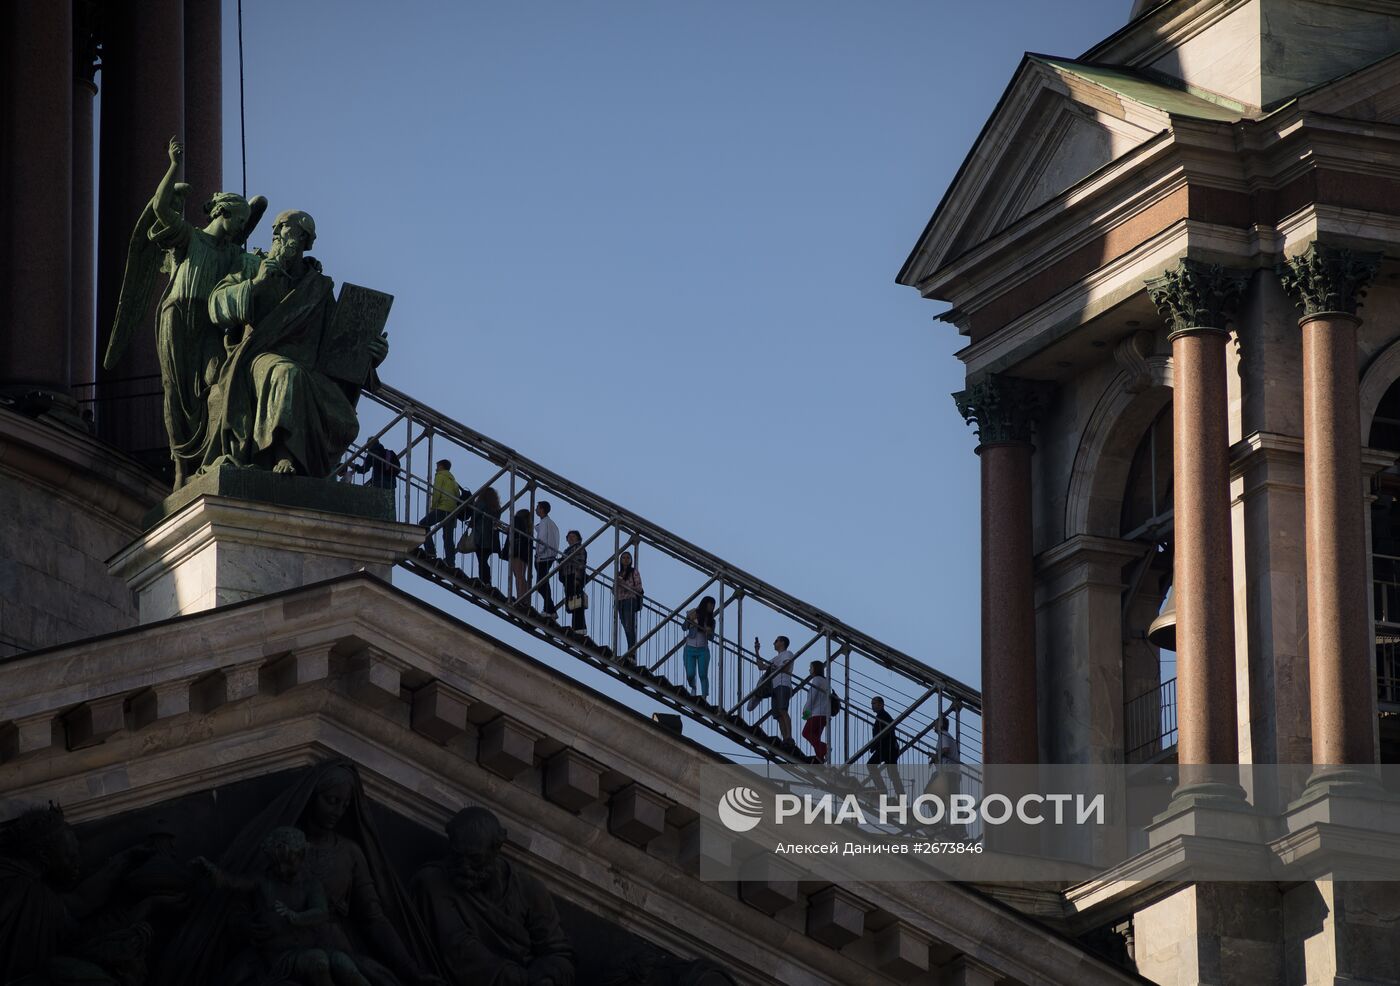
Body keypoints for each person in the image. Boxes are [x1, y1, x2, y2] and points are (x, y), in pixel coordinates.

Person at [105, 135, 264, 488]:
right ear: (223, 212)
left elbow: (264, 271)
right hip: (177, 319)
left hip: (209, 327)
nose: (242, 229)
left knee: (216, 381)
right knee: (176, 394)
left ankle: (214, 455)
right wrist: (172, 165)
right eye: (239, 221)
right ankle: (180, 469)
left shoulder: (234, 255)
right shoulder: (189, 237)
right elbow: (160, 209)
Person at [202, 209, 387, 479]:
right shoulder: (253, 265)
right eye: (275, 229)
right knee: (287, 374)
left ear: (305, 239)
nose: (276, 233)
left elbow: (338, 345)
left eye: (284, 227)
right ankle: (284, 455)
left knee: (328, 400)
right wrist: (256, 284)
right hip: (257, 360)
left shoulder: (319, 288)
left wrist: (370, 358)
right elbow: (216, 306)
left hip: (310, 370)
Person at [412, 807, 574, 986]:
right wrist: (520, 980)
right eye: (458, 856)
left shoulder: (530, 890)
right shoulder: (433, 881)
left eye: (475, 859)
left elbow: (558, 952)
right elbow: (457, 947)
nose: (465, 867)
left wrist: (548, 977)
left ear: (496, 849)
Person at [195, 827, 373, 986]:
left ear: (302, 856)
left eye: (288, 863)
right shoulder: (263, 880)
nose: (282, 869)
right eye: (276, 864)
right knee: (318, 961)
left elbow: (321, 912)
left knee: (343, 962)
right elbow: (234, 882)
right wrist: (214, 872)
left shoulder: (311, 884)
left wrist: (295, 917)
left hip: (307, 946)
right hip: (279, 957)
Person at [754, 636, 797, 744]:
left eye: (776, 641)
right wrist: (757, 651)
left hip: (783, 684)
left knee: (783, 710)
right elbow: (761, 666)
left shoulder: (788, 653)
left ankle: (789, 737)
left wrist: (775, 668)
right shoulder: (775, 658)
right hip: (775, 686)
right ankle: (785, 738)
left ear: (782, 642)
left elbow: (786, 667)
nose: (774, 643)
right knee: (778, 715)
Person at [421, 460, 462, 569]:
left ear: (441, 466)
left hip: (442, 508)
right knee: (448, 537)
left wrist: (433, 507)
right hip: (452, 511)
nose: (436, 468)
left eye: (437, 466)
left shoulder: (440, 476)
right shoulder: (453, 480)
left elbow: (437, 492)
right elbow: (458, 496)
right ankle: (451, 562)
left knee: (423, 524)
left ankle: (430, 551)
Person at [681, 596, 717, 700]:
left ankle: (704, 696)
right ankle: (693, 686)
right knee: (690, 674)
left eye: (713, 605)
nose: (711, 607)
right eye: (710, 604)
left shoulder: (711, 621)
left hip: (703, 650)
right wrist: (688, 619)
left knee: (703, 674)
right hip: (689, 648)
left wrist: (709, 631)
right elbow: (684, 627)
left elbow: (711, 638)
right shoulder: (694, 613)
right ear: (705, 604)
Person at [867, 696, 904, 797]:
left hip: (888, 748)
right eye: (872, 704)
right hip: (887, 748)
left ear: (881, 704)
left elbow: (883, 734)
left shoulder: (883, 716)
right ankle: (898, 794)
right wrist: (874, 746)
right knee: (892, 773)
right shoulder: (882, 716)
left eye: (874, 703)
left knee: (889, 772)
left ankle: (883, 790)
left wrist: (874, 746)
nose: (872, 706)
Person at [469, 487, 503, 589]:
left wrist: (471, 523)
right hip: (491, 539)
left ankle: (485, 581)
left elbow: (475, 515)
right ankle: (487, 581)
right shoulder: (496, 508)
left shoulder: (481, 504)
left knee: (482, 561)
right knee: (484, 560)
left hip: (481, 537)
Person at [613, 551, 644, 657]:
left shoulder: (634, 572)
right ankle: (631, 649)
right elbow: (614, 590)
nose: (625, 559)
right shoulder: (618, 573)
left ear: (630, 560)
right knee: (625, 626)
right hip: (620, 601)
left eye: (628, 558)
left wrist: (625, 585)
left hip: (630, 600)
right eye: (623, 558)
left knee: (629, 625)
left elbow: (639, 588)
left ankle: (632, 650)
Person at [558, 530, 589, 634]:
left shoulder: (578, 548)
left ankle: (579, 628)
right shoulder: (567, 550)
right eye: (569, 537)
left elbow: (580, 564)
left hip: (573, 576)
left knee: (577, 602)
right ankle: (576, 627)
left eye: (573, 536)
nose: (570, 538)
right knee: (573, 602)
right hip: (568, 577)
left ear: (578, 538)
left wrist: (577, 578)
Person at [800, 660, 831, 762]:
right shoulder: (825, 681)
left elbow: (812, 698)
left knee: (806, 733)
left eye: (811, 667)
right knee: (815, 738)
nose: (809, 670)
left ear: (815, 668)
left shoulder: (817, 680)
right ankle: (820, 758)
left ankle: (824, 748)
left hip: (817, 714)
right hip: (824, 715)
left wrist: (805, 712)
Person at [534, 501, 560, 616]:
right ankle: (549, 609)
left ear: (542, 509)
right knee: (543, 584)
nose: (536, 510)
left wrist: (538, 553)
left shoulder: (544, 523)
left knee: (541, 585)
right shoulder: (551, 523)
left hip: (544, 557)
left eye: (537, 508)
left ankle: (550, 609)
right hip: (550, 556)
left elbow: (542, 540)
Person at [508, 509, 534, 606]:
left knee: (518, 576)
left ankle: (520, 597)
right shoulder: (528, 527)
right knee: (521, 576)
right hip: (525, 554)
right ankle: (525, 597)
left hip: (517, 551)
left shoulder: (517, 520)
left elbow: (514, 534)